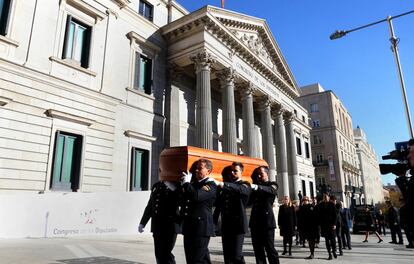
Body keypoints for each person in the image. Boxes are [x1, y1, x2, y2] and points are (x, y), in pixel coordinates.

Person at [180, 158, 217, 263]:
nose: (196, 170)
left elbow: (196, 196)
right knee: (193, 259)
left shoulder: (210, 185)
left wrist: (187, 183)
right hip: (189, 226)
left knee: (197, 260)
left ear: (208, 171)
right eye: (196, 168)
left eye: (200, 168)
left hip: (201, 228)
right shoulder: (194, 184)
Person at [214, 162, 251, 263]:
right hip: (226, 225)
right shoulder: (226, 186)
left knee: (237, 255)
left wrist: (223, 184)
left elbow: (241, 190)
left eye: (235, 171)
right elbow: (218, 205)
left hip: (238, 225)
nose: (232, 172)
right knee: (227, 256)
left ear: (241, 172)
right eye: (231, 170)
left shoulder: (245, 185)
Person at [138, 180, 181, 264]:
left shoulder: (176, 184)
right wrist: (142, 223)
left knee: (166, 253)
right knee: (158, 253)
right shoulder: (156, 185)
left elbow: (181, 200)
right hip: (157, 226)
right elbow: (150, 206)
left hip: (170, 226)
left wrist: (174, 188)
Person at [248, 166, 280, 264]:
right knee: (258, 250)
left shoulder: (272, 184)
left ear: (267, 174)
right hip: (255, 222)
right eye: (257, 174)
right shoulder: (255, 186)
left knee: (270, 248)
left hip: (267, 222)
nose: (259, 176)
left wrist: (257, 187)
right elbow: (249, 202)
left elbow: (272, 190)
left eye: (261, 173)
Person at [316, 193, 337, 260]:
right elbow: (318, 215)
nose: (325, 198)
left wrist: (334, 224)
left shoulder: (332, 204)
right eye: (324, 196)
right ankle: (329, 254)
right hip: (324, 225)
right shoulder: (320, 205)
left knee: (333, 240)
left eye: (326, 196)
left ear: (328, 197)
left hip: (331, 225)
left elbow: (335, 215)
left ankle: (334, 251)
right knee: (327, 240)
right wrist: (319, 223)